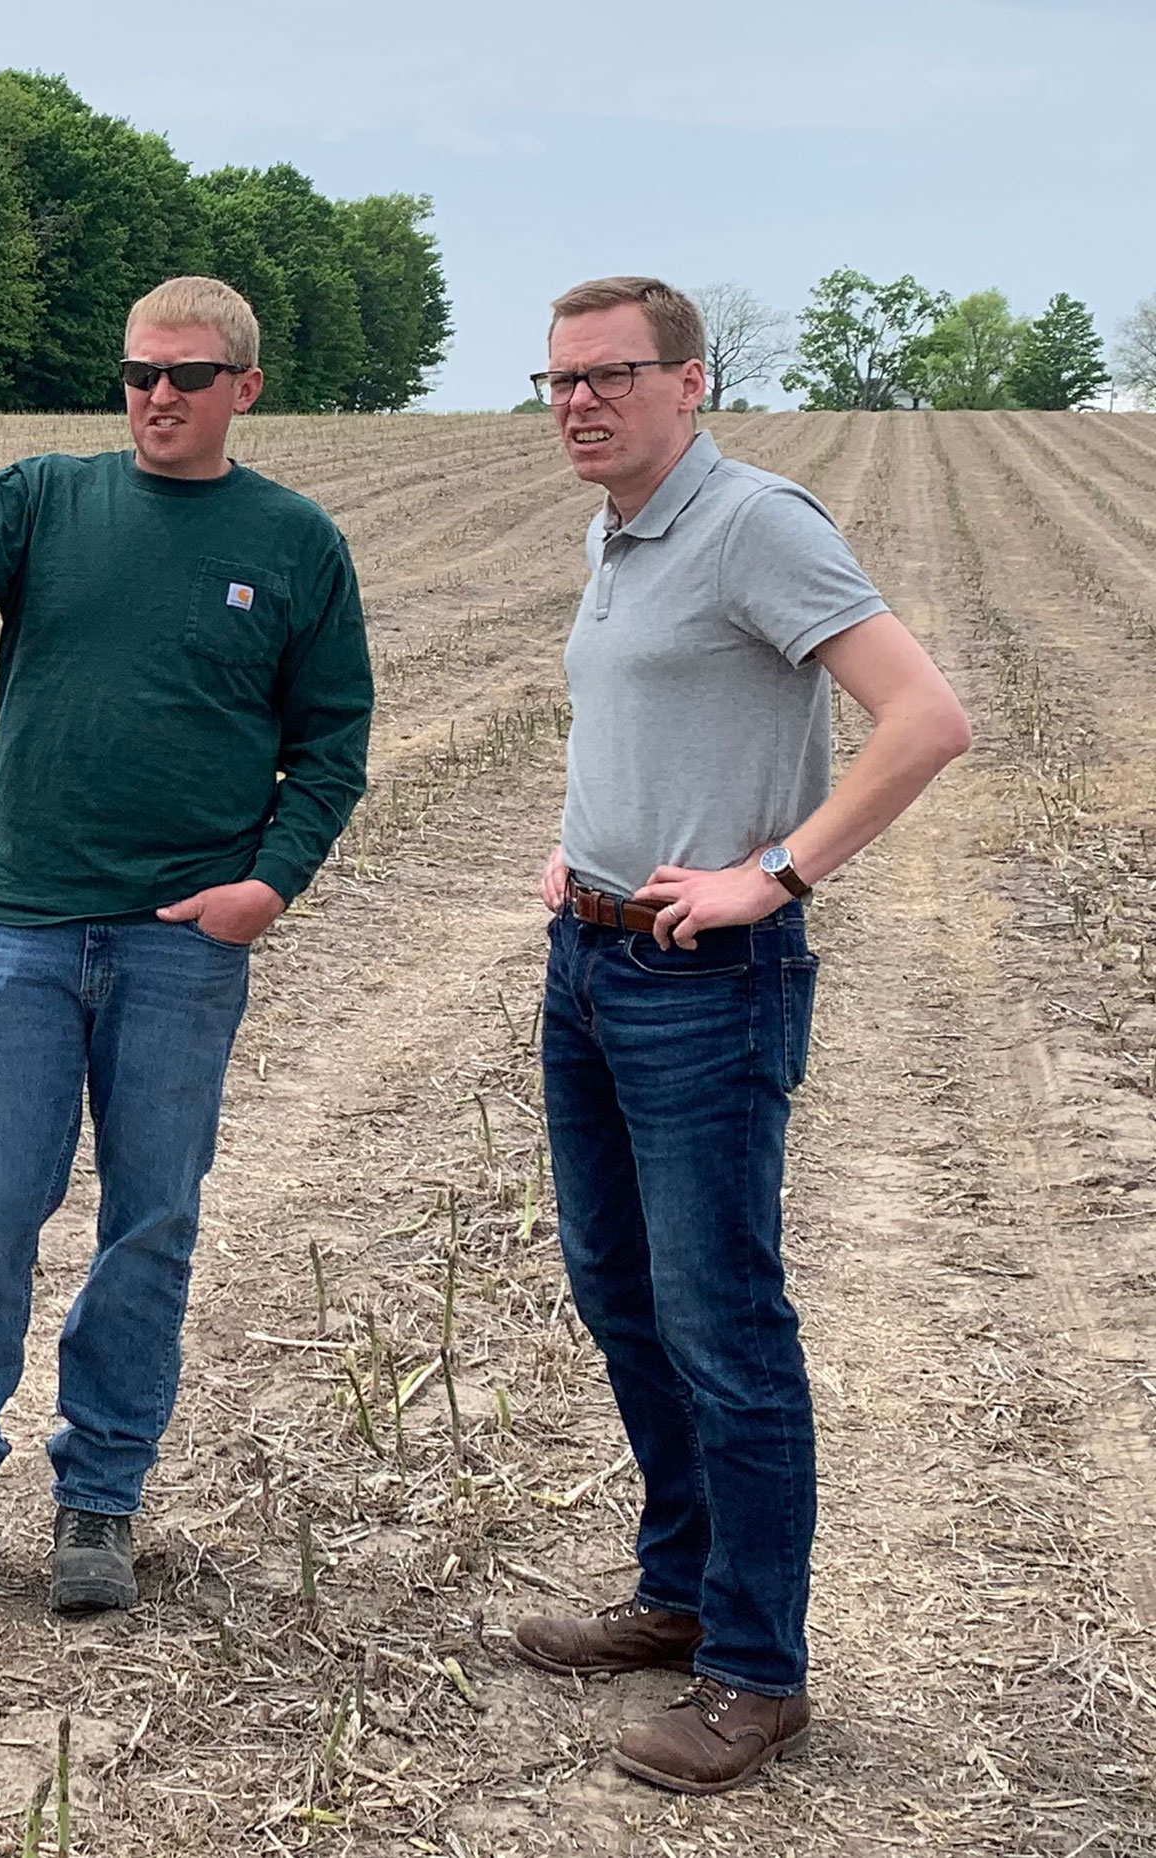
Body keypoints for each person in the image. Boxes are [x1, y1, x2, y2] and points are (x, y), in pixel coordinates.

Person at [0, 276, 372, 1619]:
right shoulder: (46, 497)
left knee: (150, 1225)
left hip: (183, 944)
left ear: (246, 385)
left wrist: (269, 887)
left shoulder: (294, 541)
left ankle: (99, 1502)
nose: (157, 397)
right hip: (23, 929)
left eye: (186, 376)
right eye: (137, 374)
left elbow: (333, 742)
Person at [511, 277, 971, 1793]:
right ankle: (681, 1588)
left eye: (613, 375)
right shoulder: (615, 530)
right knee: (621, 1291)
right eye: (561, 377)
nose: (581, 401)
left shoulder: (754, 522)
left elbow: (925, 719)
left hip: (708, 984)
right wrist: (582, 849)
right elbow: (646, 725)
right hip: (594, 963)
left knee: (726, 1323)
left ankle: (757, 1670)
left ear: (691, 380)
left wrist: (772, 873)